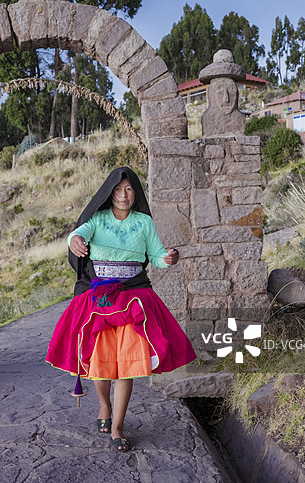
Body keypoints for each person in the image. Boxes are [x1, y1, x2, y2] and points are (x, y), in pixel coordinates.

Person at [45, 166, 197, 452]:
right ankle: (105, 406)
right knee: (101, 362)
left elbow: (155, 256)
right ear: (109, 192)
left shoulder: (144, 222)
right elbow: (78, 233)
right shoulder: (98, 219)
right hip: (100, 301)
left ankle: (118, 427)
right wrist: (74, 240)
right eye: (118, 189)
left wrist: (168, 258)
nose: (123, 195)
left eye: (128, 189)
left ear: (135, 192)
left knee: (126, 365)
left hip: (133, 299)